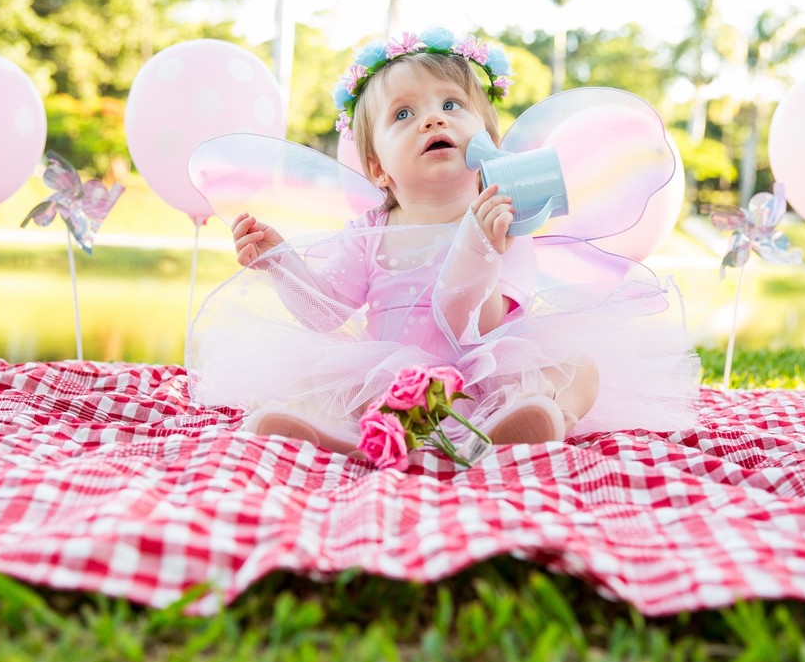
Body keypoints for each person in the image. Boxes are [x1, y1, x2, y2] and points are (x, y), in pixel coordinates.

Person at [186, 28, 699, 456]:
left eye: (452, 104)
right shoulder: (371, 231)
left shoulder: (506, 219)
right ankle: (343, 434)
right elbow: (325, 310)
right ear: (377, 169)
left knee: (576, 368)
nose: (434, 118)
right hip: (391, 380)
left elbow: (483, 323)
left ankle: (523, 421)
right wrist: (280, 260)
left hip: (483, 377)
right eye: (403, 115)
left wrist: (480, 242)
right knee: (315, 384)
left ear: (488, 140)